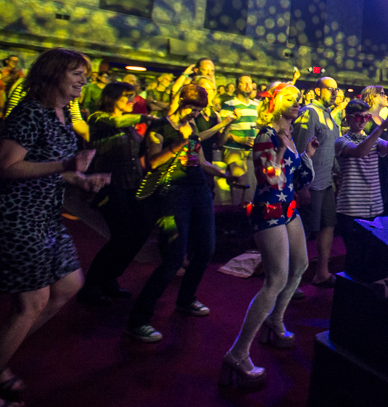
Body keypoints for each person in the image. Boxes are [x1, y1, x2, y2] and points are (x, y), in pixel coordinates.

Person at [0, 48, 109, 404]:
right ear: (53, 74)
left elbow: (56, 167)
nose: (83, 80)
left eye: (85, 75)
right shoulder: (31, 112)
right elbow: (6, 167)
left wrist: (80, 179)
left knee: (68, 286)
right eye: (76, 73)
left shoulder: (63, 114)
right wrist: (64, 166)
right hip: (19, 217)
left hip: (47, 215)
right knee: (32, 302)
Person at [222, 83, 317, 387]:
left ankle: (275, 321)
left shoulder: (289, 135)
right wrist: (281, 153)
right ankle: (238, 354)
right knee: (275, 279)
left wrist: (307, 155)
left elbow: (296, 176)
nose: (297, 103)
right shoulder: (267, 135)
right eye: (290, 99)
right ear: (275, 102)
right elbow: (270, 177)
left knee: (300, 265)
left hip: (289, 208)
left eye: (299, 100)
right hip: (269, 210)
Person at [125, 84, 236, 343]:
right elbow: (152, 163)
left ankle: (186, 300)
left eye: (198, 111)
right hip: (172, 193)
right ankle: (138, 319)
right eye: (192, 109)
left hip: (198, 191)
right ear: (179, 102)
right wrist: (176, 146)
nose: (194, 115)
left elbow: (200, 161)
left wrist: (224, 174)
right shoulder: (160, 127)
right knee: (174, 258)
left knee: (207, 249)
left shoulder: (191, 126)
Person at [77, 82, 157, 307]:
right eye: (128, 97)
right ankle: (92, 285)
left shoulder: (130, 125)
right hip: (109, 184)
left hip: (131, 184)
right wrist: (146, 118)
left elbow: (139, 152)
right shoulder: (98, 118)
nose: (133, 101)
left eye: (134, 97)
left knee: (141, 229)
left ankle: (110, 276)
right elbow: (116, 121)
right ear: (112, 98)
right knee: (122, 235)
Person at [292, 77, 343, 287]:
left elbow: (331, 150)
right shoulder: (309, 112)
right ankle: (291, 281)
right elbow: (303, 151)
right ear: (317, 91)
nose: (333, 92)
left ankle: (322, 272)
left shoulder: (329, 115)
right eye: (329, 89)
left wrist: (337, 174)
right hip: (311, 184)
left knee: (328, 225)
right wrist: (302, 185)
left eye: (336, 89)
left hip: (326, 182)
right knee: (304, 231)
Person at [335, 101, 388, 250]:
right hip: (351, 207)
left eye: (367, 117)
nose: (364, 121)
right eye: (359, 117)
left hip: (373, 205)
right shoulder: (341, 141)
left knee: (372, 252)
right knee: (354, 252)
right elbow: (359, 152)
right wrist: (382, 127)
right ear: (349, 118)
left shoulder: (374, 139)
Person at [220, 75, 259, 205]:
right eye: (244, 83)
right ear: (237, 86)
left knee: (252, 188)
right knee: (239, 188)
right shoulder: (229, 105)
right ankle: (237, 217)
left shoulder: (256, 105)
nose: (248, 86)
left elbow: (258, 127)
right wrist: (240, 139)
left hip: (252, 152)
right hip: (235, 151)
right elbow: (222, 131)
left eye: (250, 83)